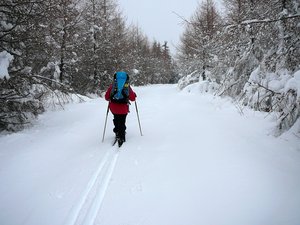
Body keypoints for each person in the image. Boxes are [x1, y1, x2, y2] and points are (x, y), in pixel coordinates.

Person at [105, 71, 136, 146]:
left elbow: (106, 97)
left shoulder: (112, 86)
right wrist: (134, 95)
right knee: (122, 121)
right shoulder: (127, 86)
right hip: (123, 108)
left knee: (116, 119)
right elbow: (132, 98)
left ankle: (117, 132)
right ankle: (121, 137)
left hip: (114, 108)